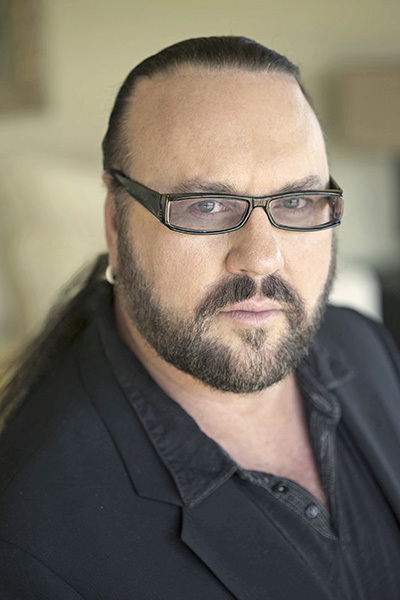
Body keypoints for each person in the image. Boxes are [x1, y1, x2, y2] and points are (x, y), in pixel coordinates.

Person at [0, 36, 399, 600]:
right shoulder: (34, 548)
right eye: (205, 206)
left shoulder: (363, 342)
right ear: (116, 225)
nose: (262, 257)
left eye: (295, 201)